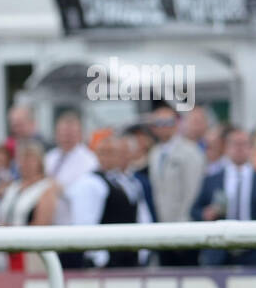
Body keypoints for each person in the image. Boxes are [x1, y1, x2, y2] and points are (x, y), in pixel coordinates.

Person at [190, 127, 256, 266]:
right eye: (234, 144)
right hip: (219, 251)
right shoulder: (211, 180)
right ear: (226, 148)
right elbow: (194, 211)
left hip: (254, 252)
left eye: (243, 144)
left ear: (251, 148)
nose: (239, 148)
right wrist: (205, 214)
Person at [63, 134, 152, 268]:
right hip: (107, 263)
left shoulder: (130, 182)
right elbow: (84, 224)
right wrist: (100, 259)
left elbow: (142, 218)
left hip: (130, 259)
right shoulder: (90, 183)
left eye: (114, 152)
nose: (109, 157)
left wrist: (143, 252)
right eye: (104, 152)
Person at [147, 103, 206, 265]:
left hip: (185, 230)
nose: (163, 127)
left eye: (168, 122)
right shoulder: (155, 153)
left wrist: (182, 226)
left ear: (177, 124)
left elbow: (193, 191)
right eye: (158, 123)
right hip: (162, 230)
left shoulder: (190, 151)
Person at [0, 139, 59, 273]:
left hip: (32, 254)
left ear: (39, 162)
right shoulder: (13, 187)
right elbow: (1, 217)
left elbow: (41, 224)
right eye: (23, 158)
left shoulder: (47, 188)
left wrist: (13, 236)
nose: (26, 163)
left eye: (30, 158)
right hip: (8, 251)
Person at [44, 110, 97, 224]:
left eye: (70, 134)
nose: (66, 137)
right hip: (49, 220)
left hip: (72, 221)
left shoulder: (90, 161)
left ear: (80, 134)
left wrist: (61, 189)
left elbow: (87, 192)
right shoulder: (50, 157)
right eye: (63, 133)